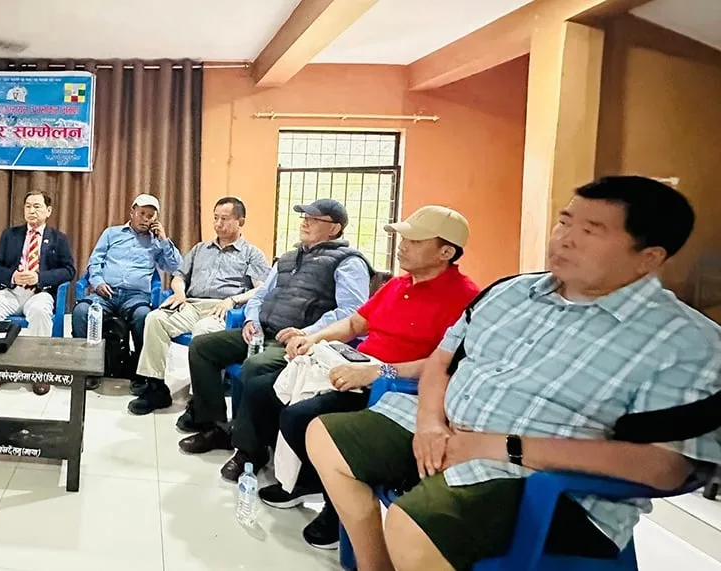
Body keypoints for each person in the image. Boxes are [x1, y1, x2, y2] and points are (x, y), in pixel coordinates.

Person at [308, 176, 721, 571]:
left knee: (413, 527)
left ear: (649, 257)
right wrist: (431, 422)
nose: (565, 239)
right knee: (325, 436)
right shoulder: (510, 292)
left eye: (591, 231)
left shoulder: (686, 342)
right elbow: (441, 361)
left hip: (539, 475)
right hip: (445, 431)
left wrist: (502, 446)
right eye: (565, 221)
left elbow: (666, 467)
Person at [249, 206, 479, 550]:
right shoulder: (397, 285)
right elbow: (356, 323)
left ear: (446, 251)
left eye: (415, 241)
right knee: (267, 390)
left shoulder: (465, 298)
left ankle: (337, 510)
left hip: (395, 387)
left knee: (301, 416)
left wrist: (380, 371)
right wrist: (314, 338)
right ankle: (308, 479)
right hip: (357, 365)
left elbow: (447, 364)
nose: (402, 246)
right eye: (403, 238)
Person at [178, 198, 371, 455]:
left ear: (334, 228)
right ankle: (215, 427)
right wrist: (252, 320)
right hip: (264, 331)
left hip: (300, 342)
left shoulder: (348, 262)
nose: (305, 223)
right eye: (304, 218)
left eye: (313, 219)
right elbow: (260, 295)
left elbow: (352, 313)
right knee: (202, 346)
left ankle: (250, 448)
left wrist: (308, 333)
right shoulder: (288, 259)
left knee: (255, 365)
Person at [128, 196, 269, 415]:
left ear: (240, 222)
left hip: (222, 309)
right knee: (155, 319)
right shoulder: (200, 249)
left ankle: (199, 401)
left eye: (224, 219)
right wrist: (179, 293)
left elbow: (261, 289)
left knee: (204, 331)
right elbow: (179, 276)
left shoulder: (252, 254)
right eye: (215, 218)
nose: (218, 224)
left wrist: (233, 300)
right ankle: (156, 388)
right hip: (191, 304)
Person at [71, 193, 183, 390]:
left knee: (144, 317)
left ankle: (141, 372)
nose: (145, 219)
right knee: (81, 312)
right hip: (106, 293)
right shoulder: (111, 233)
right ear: (132, 212)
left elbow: (176, 267)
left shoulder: (156, 242)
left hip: (135, 297)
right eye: (142, 213)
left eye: (150, 216)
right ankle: (86, 369)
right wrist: (97, 282)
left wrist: (164, 240)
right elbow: (95, 262)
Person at [0, 189, 76, 395]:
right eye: (28, 206)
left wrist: (40, 277)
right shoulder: (10, 235)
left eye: (37, 206)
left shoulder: (58, 238)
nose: (32, 211)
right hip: (12, 291)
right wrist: (13, 276)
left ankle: (39, 370)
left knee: (40, 311)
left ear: (48, 211)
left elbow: (69, 270)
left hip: (40, 292)